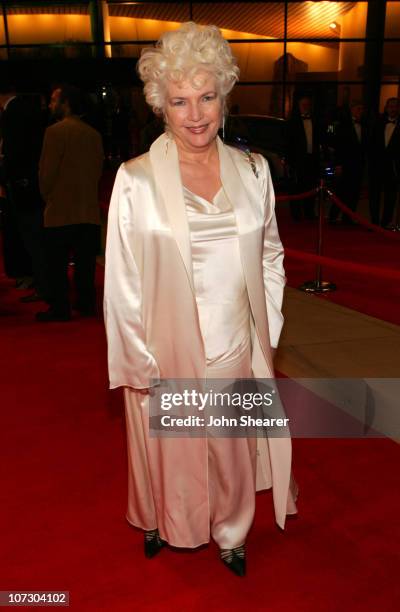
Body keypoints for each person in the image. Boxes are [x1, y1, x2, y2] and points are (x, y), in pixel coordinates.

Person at [104, 22, 298, 577]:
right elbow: (123, 278)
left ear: (224, 97)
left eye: (207, 97)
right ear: (160, 106)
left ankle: (232, 532)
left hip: (236, 337)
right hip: (165, 342)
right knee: (174, 445)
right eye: (181, 101)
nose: (196, 114)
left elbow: (270, 256)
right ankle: (168, 521)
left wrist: (268, 330)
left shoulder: (253, 170)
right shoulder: (136, 180)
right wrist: (138, 355)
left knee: (232, 445)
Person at [36, 85, 104, 322]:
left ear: (66, 103)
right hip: (87, 209)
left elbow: (47, 174)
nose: (51, 105)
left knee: (56, 264)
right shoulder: (93, 134)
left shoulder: (54, 132)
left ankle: (60, 307)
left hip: (60, 210)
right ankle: (86, 304)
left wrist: (47, 196)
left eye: (55, 101)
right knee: (85, 264)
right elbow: (98, 171)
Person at [0, 82, 48, 301]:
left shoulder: (14, 113)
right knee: (32, 236)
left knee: (32, 237)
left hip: (23, 185)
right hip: (29, 182)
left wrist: (7, 176)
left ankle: (42, 284)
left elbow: (15, 152)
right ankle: (39, 281)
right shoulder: (26, 109)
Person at [329, 100, 368, 225]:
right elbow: (339, 146)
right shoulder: (343, 125)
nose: (360, 111)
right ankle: (333, 217)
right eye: (358, 108)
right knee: (341, 192)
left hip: (358, 165)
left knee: (354, 193)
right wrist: (338, 165)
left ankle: (348, 217)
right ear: (352, 110)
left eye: (362, 109)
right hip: (345, 164)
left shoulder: (365, 125)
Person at [285, 95, 320, 221]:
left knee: (310, 186)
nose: (306, 107)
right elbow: (287, 143)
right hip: (297, 160)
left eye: (307, 105)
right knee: (296, 188)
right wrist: (289, 162)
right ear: (299, 106)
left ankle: (309, 212)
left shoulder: (315, 120)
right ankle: (296, 215)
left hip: (312, 160)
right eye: (303, 105)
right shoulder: (292, 122)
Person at [369, 97, 400, 228]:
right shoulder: (378, 122)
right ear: (386, 108)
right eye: (390, 106)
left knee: (390, 197)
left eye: (395, 106)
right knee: (374, 195)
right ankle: (374, 222)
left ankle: (386, 222)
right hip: (377, 165)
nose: (393, 109)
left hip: (393, 167)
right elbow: (371, 143)